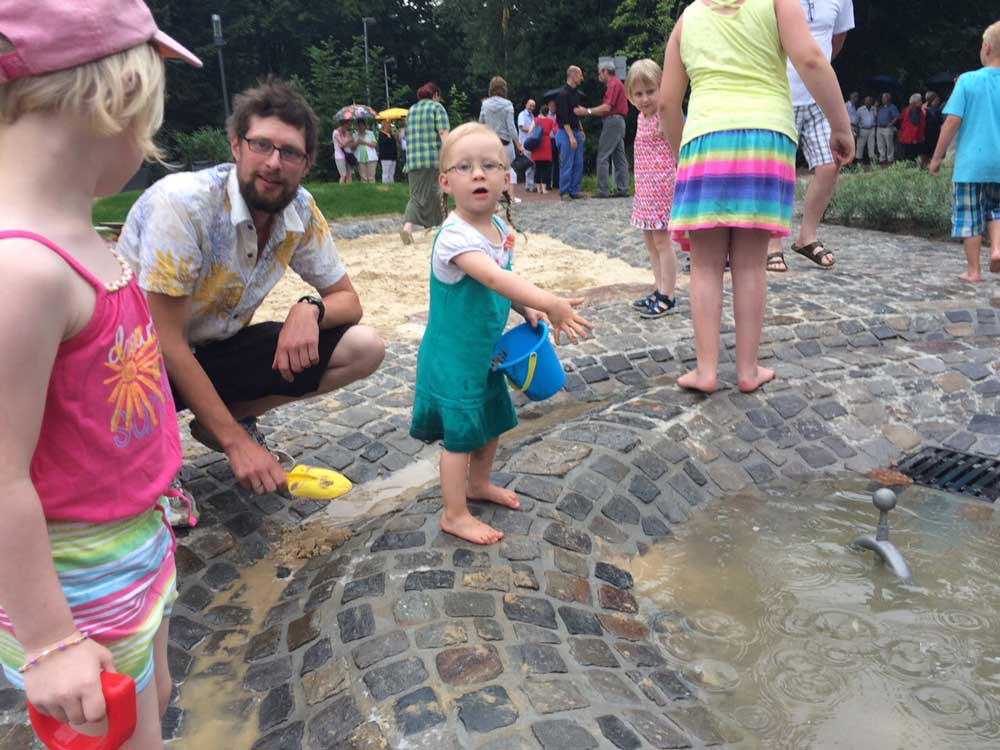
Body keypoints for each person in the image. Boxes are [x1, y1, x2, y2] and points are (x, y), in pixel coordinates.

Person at [0, 1, 201, 746]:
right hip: (75, 573)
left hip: (131, 541)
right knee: (119, 736)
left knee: (157, 690)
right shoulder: (21, 270)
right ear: (115, 102)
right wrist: (51, 643)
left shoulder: (78, 231)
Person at [118, 79, 385, 496]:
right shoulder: (184, 204)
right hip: (134, 364)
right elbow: (166, 341)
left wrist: (310, 307)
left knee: (363, 347)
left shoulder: (299, 208)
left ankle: (223, 419)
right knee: (141, 483)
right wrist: (237, 447)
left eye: (290, 152)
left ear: (307, 161)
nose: (274, 163)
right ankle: (162, 451)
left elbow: (348, 300)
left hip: (212, 349)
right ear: (236, 146)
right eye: (262, 145)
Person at [409, 123, 592, 544]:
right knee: (459, 437)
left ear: (506, 178)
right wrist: (549, 302)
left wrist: (524, 307)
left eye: (490, 165)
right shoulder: (453, 236)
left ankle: (478, 485)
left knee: (491, 421)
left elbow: (503, 278)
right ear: (445, 182)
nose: (478, 174)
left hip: (483, 355)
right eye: (465, 166)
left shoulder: (497, 230)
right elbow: (491, 278)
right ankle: (454, 513)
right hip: (452, 358)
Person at [660, 0, 853, 394]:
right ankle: (748, 370)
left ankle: (706, 370)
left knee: (705, 265)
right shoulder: (779, 2)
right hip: (766, 135)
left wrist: (685, 153)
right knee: (751, 264)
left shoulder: (688, 19)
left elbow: (666, 103)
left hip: (705, 138)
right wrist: (840, 125)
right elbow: (812, 59)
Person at [764, 0, 854, 273]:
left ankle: (807, 236)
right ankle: (773, 243)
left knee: (830, 164)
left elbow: (836, 42)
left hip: (818, 96)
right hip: (779, 90)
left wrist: (816, 72)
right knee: (778, 171)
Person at [929, 20, 1000, 283]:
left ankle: (973, 271)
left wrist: (936, 158)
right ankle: (996, 248)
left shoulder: (968, 80)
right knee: (997, 208)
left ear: (986, 47)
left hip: (971, 163)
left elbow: (952, 122)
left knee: (969, 216)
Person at [626, 59, 679, 319]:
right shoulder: (640, 117)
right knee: (650, 241)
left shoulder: (664, 116)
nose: (645, 99)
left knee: (662, 241)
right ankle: (658, 288)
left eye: (650, 91)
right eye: (639, 93)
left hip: (663, 186)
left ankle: (668, 294)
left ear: (662, 88)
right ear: (630, 95)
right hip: (646, 187)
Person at [401, 83, 450, 244]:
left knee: (416, 197)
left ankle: (408, 228)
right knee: (437, 195)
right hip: (432, 159)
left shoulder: (411, 111)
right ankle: (439, 228)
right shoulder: (437, 108)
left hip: (413, 161)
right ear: (435, 95)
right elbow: (444, 134)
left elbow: (406, 137)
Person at [576, 60, 631, 198]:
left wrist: (586, 111)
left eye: (600, 72)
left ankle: (603, 189)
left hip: (612, 122)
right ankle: (623, 188)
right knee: (619, 157)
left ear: (605, 71)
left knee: (603, 156)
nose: (599, 75)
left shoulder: (613, 84)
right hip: (619, 122)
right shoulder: (618, 84)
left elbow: (606, 107)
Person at [479, 77, 525, 188]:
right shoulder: (508, 104)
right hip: (505, 143)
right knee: (508, 169)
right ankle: (510, 196)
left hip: (489, 143)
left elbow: (481, 123)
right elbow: (511, 127)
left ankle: (494, 197)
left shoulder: (485, 104)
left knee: (490, 170)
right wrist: (518, 144)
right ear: (504, 89)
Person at [555, 65, 586, 200]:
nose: (582, 78)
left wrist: (580, 129)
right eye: (580, 75)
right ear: (572, 75)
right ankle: (565, 191)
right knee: (567, 162)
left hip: (575, 130)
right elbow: (563, 118)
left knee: (578, 162)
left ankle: (574, 189)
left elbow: (575, 114)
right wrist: (571, 136)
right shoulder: (562, 95)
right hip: (565, 132)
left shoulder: (576, 94)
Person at [529, 104, 555, 194]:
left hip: (537, 144)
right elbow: (553, 132)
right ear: (548, 112)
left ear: (540, 111)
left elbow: (529, 131)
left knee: (537, 167)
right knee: (545, 167)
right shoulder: (550, 121)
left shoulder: (536, 120)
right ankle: (544, 189)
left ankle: (538, 189)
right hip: (546, 144)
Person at [898, 93, 926, 162]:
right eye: (920, 100)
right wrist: (914, 138)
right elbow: (914, 125)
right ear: (915, 102)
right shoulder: (915, 109)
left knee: (907, 157)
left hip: (905, 137)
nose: (922, 102)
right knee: (912, 157)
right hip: (911, 138)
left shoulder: (907, 108)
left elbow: (900, 119)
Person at [517, 98, 536, 191]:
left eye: (533, 106)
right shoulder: (522, 114)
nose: (531, 107)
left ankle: (529, 185)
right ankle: (529, 186)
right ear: (526, 105)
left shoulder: (532, 116)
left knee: (532, 164)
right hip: (525, 143)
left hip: (531, 143)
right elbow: (521, 127)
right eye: (530, 105)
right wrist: (532, 130)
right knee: (529, 164)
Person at [876, 92, 900, 164]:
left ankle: (890, 159)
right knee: (880, 144)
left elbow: (896, 117)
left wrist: (891, 123)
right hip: (879, 128)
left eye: (884, 98)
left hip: (887, 128)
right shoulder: (881, 107)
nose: (883, 99)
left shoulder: (892, 107)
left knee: (889, 144)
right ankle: (882, 159)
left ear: (888, 98)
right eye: (882, 98)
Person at [922, 92, 943, 167]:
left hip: (936, 133)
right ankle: (925, 165)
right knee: (927, 151)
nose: (937, 102)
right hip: (927, 133)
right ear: (931, 101)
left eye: (938, 100)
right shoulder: (925, 110)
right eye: (936, 101)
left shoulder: (937, 110)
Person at [332, 120, 356, 184]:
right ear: (343, 125)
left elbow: (349, 144)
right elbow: (342, 144)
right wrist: (349, 140)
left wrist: (348, 141)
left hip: (348, 155)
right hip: (339, 156)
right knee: (343, 175)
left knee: (349, 174)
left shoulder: (346, 132)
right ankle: (341, 189)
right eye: (348, 125)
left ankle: (348, 188)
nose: (348, 127)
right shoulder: (336, 133)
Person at [856, 94, 877, 164]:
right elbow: (857, 120)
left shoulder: (874, 108)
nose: (868, 102)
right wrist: (857, 130)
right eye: (867, 101)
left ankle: (872, 160)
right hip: (862, 129)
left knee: (871, 145)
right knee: (860, 145)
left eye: (870, 101)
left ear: (871, 102)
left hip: (871, 129)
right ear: (864, 102)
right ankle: (859, 160)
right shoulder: (860, 109)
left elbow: (876, 118)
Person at [545, 96, 560, 191]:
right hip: (549, 140)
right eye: (551, 106)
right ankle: (547, 183)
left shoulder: (559, 115)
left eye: (554, 106)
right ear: (548, 106)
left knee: (557, 162)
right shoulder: (546, 115)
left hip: (557, 140)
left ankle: (556, 182)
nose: (553, 107)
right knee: (548, 163)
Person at [378, 118, 398, 183]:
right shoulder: (381, 134)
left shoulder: (391, 134)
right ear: (384, 125)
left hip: (392, 156)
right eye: (388, 124)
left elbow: (394, 144)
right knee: (386, 173)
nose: (389, 125)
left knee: (391, 173)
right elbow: (383, 143)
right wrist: (388, 137)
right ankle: (385, 186)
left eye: (389, 124)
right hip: (385, 157)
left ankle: (392, 186)